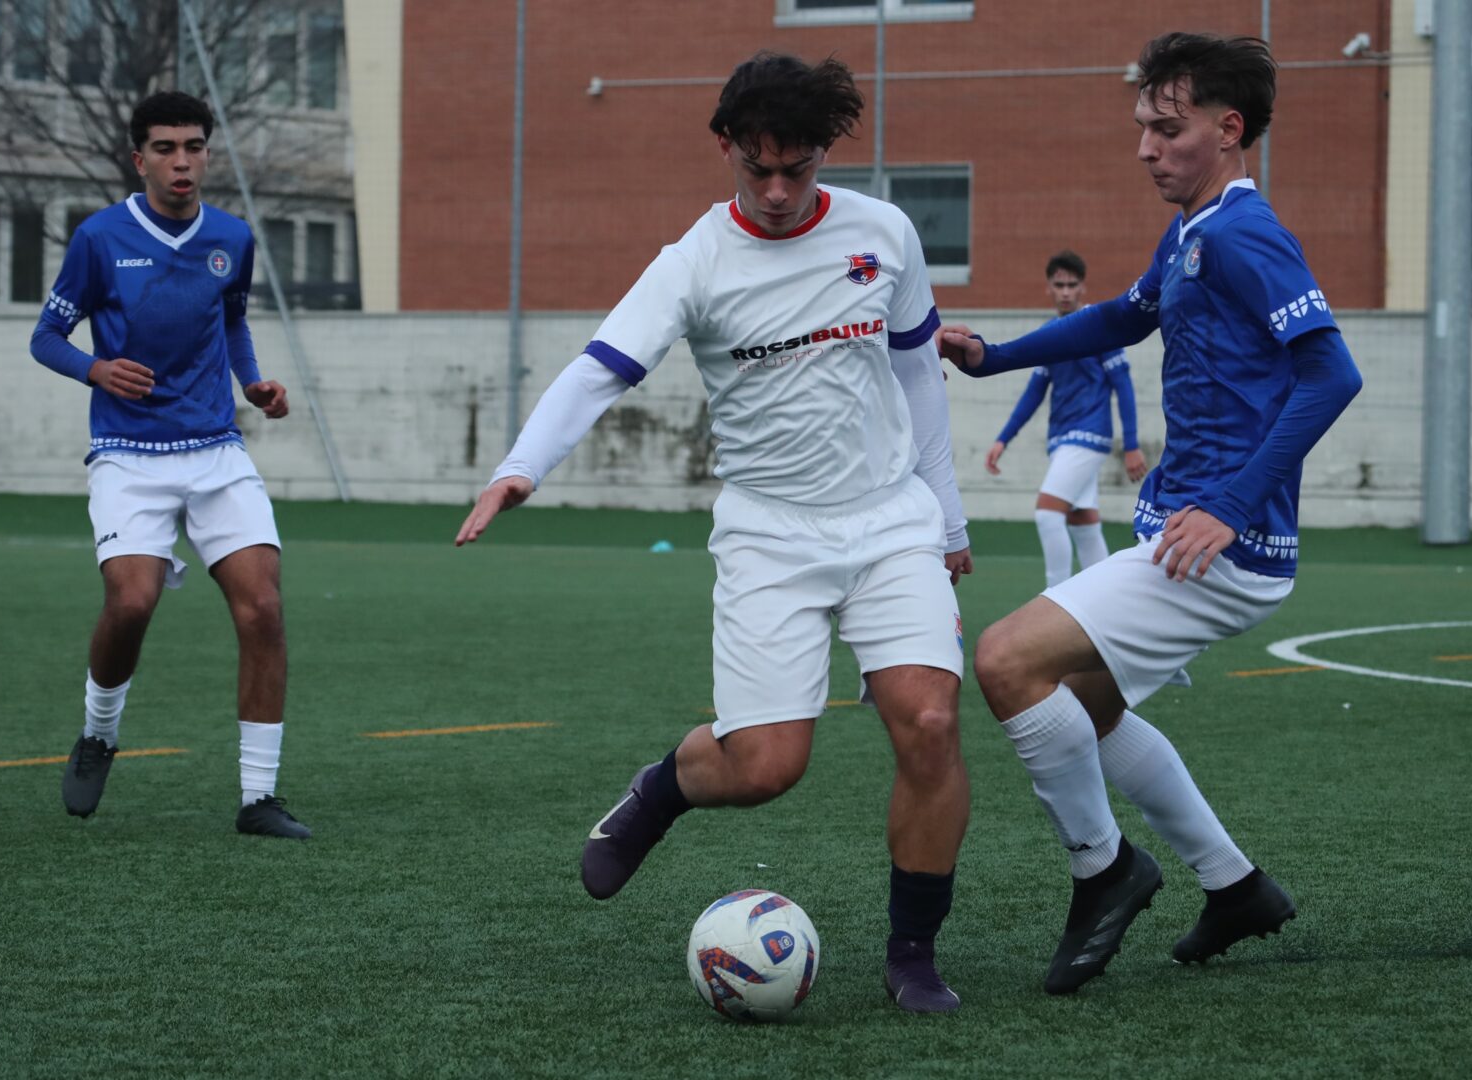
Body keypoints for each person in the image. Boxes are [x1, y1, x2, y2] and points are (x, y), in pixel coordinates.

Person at [457, 52, 973, 1013]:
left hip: (889, 519)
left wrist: (945, 516)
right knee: (765, 768)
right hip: (769, 535)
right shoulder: (692, 261)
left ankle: (913, 952)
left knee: (931, 723)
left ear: (824, 154)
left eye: (797, 170)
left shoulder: (884, 233)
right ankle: (660, 790)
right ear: (726, 147)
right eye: (756, 169)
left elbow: (915, 374)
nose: (776, 192)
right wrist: (519, 467)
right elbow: (599, 369)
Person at [936, 32, 1362, 994]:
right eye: (1141, 126)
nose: (1144, 147)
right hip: (1190, 531)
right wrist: (997, 357)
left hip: (1222, 547)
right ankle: (1236, 886)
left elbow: (1331, 373)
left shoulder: (1244, 233)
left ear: (1228, 129)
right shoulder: (1191, 231)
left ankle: (1104, 871)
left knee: (1004, 661)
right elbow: (1124, 316)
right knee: (1086, 703)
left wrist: (1230, 505)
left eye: (1166, 129)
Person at [30, 91, 309, 840]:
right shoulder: (99, 238)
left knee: (263, 608)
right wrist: (96, 369)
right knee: (131, 603)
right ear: (140, 159)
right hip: (128, 454)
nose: (181, 161)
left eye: (193, 146)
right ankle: (99, 732)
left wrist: (252, 383)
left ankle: (258, 798)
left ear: (206, 154)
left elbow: (232, 321)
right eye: (165, 148)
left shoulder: (232, 237)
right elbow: (45, 338)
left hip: (216, 450)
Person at [986, 250, 1148, 589]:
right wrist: (1003, 438)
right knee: (1083, 522)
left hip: (1088, 437)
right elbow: (1034, 392)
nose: (1065, 292)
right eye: (1059, 285)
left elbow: (1124, 386)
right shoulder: (1050, 332)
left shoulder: (1099, 327)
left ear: (1082, 288)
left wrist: (1132, 445)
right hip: (1060, 440)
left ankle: (1055, 594)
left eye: (1072, 285)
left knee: (1047, 513)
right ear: (1048, 288)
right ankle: (1106, 596)